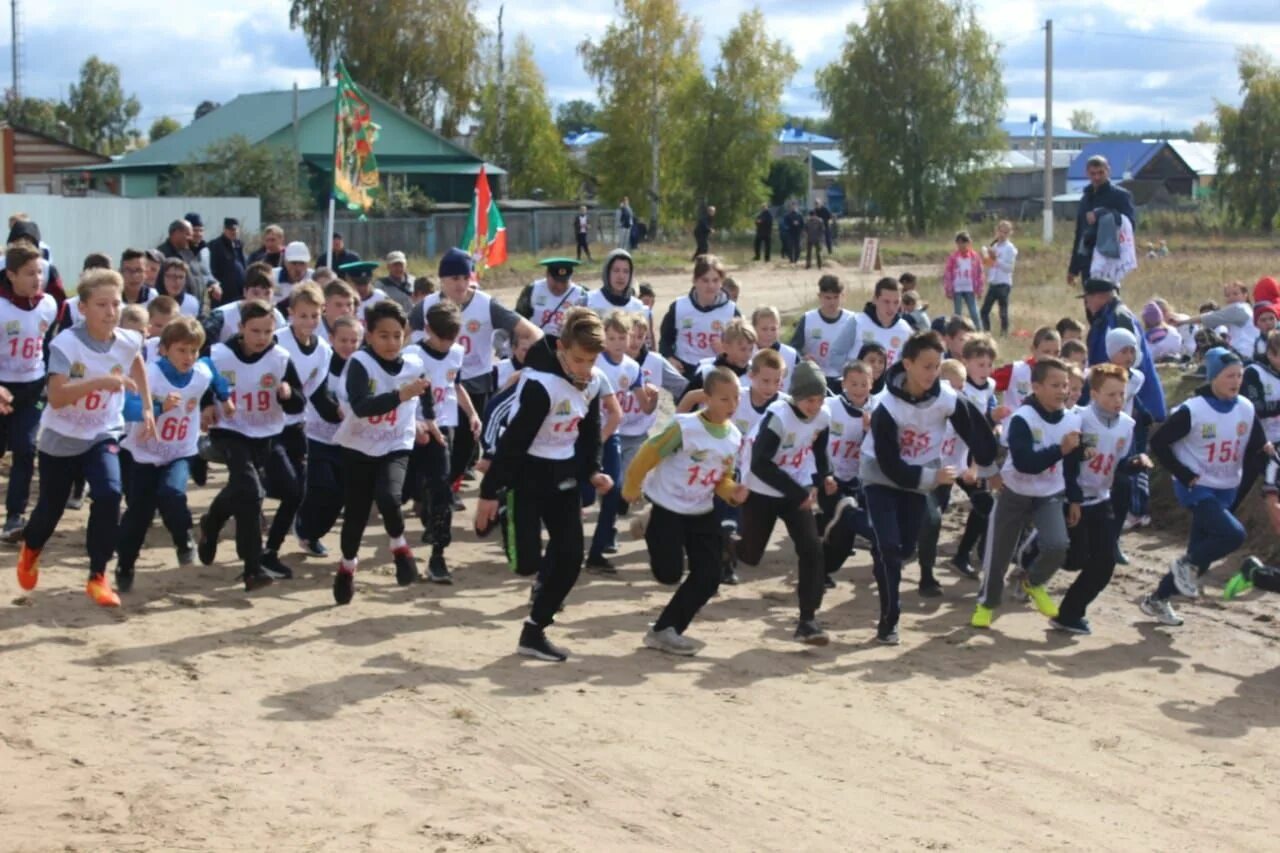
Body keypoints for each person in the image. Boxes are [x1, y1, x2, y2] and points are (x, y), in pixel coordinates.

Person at [475, 308, 613, 662]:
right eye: (578, 360)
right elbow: (514, 443)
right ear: (562, 349)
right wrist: (489, 493)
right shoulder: (541, 384)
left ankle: (534, 631)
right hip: (526, 473)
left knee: (570, 557)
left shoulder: (594, 381)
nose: (584, 368)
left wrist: (593, 470)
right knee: (526, 565)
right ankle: (506, 508)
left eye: (591, 360)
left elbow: (589, 432)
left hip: (563, 474)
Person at [15, 270, 153, 607]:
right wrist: (102, 382)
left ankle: (97, 575)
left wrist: (148, 408)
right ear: (84, 308)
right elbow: (58, 397)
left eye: (116, 303)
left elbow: (135, 360)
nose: (110, 311)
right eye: (102, 304)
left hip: (101, 432)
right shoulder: (66, 344)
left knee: (109, 494)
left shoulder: (128, 339)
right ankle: (31, 548)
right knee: (51, 509)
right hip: (61, 437)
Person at [860, 331, 998, 643]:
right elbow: (889, 463)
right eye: (926, 366)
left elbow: (976, 430)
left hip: (919, 482)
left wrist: (989, 467)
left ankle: (883, 556)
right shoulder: (887, 407)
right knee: (892, 550)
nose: (932, 373)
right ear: (907, 364)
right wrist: (931, 479)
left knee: (904, 548)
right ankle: (889, 621)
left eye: (937, 366)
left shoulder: (946, 397)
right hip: (881, 477)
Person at [1139, 348, 1269, 626]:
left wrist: (1268, 450)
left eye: (1240, 375)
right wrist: (1184, 474)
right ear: (1212, 377)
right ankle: (1183, 567)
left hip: (1226, 487)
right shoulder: (1193, 410)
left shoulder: (1244, 406)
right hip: (1196, 489)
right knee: (1233, 534)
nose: (1236, 381)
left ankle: (1157, 600)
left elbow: (1258, 438)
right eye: (1229, 376)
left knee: (1201, 556)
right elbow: (1159, 443)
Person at [622, 367, 747, 655]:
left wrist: (732, 493)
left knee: (710, 574)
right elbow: (648, 453)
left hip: (701, 510)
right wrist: (631, 486)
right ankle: (649, 520)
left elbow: (721, 479)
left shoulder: (733, 437)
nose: (732, 405)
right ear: (707, 398)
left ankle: (666, 630)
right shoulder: (685, 427)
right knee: (668, 574)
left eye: (736, 398)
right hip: (667, 506)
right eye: (724, 399)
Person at [197, 299, 308, 590]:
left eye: (267, 331)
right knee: (250, 493)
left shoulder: (281, 358)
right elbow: (199, 382)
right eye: (255, 331)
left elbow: (299, 401)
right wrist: (207, 404)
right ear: (241, 328)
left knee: (292, 490)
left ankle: (214, 523)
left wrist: (287, 394)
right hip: (230, 431)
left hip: (268, 434)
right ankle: (252, 567)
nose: (261, 338)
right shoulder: (219, 355)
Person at [115, 318, 233, 592]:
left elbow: (212, 371)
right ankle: (125, 564)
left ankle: (184, 539)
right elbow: (126, 406)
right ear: (164, 349)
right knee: (139, 514)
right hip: (144, 453)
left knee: (172, 494)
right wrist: (158, 407)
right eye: (181, 350)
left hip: (180, 449)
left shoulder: (200, 371)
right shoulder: (151, 375)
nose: (188, 357)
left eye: (193, 351)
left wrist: (224, 395)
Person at [330, 301, 433, 603]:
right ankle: (347, 566)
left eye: (397, 335)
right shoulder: (360, 363)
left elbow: (426, 393)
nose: (391, 342)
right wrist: (401, 395)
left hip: (395, 441)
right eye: (384, 336)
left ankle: (400, 547)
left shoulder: (414, 362)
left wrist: (428, 421)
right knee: (357, 515)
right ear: (370, 336)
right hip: (358, 445)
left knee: (390, 497)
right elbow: (361, 406)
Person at [413, 248, 542, 488]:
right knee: (439, 443)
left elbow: (530, 332)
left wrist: (539, 362)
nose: (461, 284)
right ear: (441, 280)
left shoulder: (486, 304)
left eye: (465, 277)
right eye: (454, 278)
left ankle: (446, 487)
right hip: (437, 385)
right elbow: (402, 340)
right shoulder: (426, 306)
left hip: (475, 381)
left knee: (468, 442)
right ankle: (434, 492)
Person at [971, 357, 1083, 630]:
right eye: (1055, 385)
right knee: (997, 557)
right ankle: (987, 604)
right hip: (1015, 492)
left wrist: (1075, 498)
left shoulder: (1072, 419)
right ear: (1036, 387)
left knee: (1057, 545)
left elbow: (1071, 465)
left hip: (1050, 494)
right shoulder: (1022, 418)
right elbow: (1024, 463)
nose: (1062, 391)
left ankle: (1032, 582)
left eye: (1065, 385)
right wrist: (1061, 449)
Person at [736, 360, 835, 644]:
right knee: (750, 555)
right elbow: (760, 464)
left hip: (794, 489)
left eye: (819, 399)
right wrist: (799, 491)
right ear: (795, 396)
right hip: (761, 489)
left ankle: (808, 620)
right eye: (808, 400)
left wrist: (823, 476)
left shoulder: (823, 415)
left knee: (812, 550)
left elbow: (818, 447)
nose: (814, 406)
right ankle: (721, 546)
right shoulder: (779, 417)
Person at [1051, 363, 1145, 634]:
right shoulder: (1078, 418)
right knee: (1074, 559)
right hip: (1071, 497)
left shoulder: (1128, 425)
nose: (1118, 400)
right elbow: (1066, 461)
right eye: (1111, 394)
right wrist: (1074, 497)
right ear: (1094, 394)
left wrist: (1137, 462)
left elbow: (1122, 462)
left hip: (1101, 498)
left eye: (1122, 395)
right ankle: (1034, 551)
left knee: (1104, 562)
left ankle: (1070, 613)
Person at [411, 301, 480, 584]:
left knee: (443, 489)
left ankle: (438, 556)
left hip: (444, 428)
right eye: (442, 337)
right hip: (412, 431)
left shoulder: (456, 352)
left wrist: (472, 413)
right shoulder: (413, 355)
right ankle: (421, 508)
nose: (446, 344)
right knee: (411, 488)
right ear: (428, 330)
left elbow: (456, 384)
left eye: (452, 338)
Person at [0, 243, 60, 542]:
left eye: (40, 272)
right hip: (1, 388)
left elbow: (48, 342)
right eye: (29, 274)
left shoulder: (48, 304)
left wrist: (51, 378)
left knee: (25, 449)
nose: (37, 279)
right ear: (10, 275)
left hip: (33, 387)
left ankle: (14, 516)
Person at [272, 284, 335, 567]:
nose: (309, 322)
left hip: (298, 426)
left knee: (303, 487)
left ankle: (305, 534)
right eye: (303, 315)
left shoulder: (323, 349)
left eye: (314, 315)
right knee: (284, 486)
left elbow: (319, 393)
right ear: (291, 314)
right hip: (267, 425)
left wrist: (342, 414)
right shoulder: (276, 341)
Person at [296, 315, 361, 556]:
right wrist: (338, 410)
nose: (349, 345)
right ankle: (304, 526)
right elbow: (318, 395)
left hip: (348, 441)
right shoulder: (323, 362)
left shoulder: (361, 364)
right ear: (331, 339)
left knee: (340, 495)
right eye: (343, 340)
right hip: (316, 437)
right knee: (322, 487)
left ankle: (313, 534)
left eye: (354, 341)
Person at [584, 312, 637, 572]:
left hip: (611, 433)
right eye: (611, 337)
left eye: (622, 337)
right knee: (581, 495)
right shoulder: (595, 365)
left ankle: (597, 552)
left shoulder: (632, 367)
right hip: (584, 436)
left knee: (613, 491)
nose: (616, 342)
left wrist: (648, 396)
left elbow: (634, 407)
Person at [819, 359, 876, 585]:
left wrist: (868, 431)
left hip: (855, 481)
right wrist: (823, 474)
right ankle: (819, 568)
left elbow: (876, 449)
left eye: (864, 384)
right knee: (844, 522)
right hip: (829, 478)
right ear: (844, 384)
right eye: (854, 384)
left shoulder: (876, 410)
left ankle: (824, 568)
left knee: (844, 534)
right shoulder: (830, 407)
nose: (859, 389)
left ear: (871, 384)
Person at [949, 334, 1000, 577]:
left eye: (989, 364)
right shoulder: (959, 387)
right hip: (952, 453)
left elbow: (989, 407)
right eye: (980, 364)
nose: (986, 369)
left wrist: (995, 421)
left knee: (985, 504)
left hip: (973, 454)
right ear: (965, 361)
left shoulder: (989, 385)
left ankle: (965, 554)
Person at [1083, 277, 1167, 421]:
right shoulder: (1109, 316)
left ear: (1100, 297)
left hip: (1134, 401)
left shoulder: (1119, 318)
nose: (1086, 304)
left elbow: (1132, 358)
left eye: (1087, 299)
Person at [658, 254, 740, 379]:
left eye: (715, 280)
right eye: (705, 280)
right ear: (695, 281)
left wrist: (725, 351)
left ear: (722, 282)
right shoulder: (679, 307)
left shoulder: (731, 311)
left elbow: (743, 347)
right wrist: (669, 358)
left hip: (718, 372)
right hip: (685, 371)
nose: (710, 286)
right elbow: (665, 339)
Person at [1068, 155, 1137, 287]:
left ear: (1108, 171)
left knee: (1107, 301)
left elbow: (1129, 224)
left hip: (1108, 259)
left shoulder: (1120, 196)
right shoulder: (1085, 199)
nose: (1097, 177)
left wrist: (1102, 214)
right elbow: (1079, 234)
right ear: (1087, 173)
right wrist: (1073, 268)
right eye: (1093, 173)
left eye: (1101, 172)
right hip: (1087, 259)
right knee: (1090, 304)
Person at [830, 276, 914, 368]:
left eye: (896, 302)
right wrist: (853, 375)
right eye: (886, 301)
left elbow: (909, 364)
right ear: (875, 299)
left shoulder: (905, 329)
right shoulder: (857, 323)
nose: (891, 307)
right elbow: (835, 354)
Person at [791, 274, 854, 394]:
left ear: (843, 296)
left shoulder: (852, 320)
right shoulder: (808, 319)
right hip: (814, 377)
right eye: (828, 298)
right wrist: (803, 358)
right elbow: (794, 349)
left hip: (843, 378)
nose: (832, 302)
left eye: (836, 297)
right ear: (820, 297)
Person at [203, 264, 285, 346]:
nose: (261, 299)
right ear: (245, 292)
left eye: (267, 293)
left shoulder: (278, 318)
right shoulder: (221, 316)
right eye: (255, 293)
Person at [516, 258, 588, 339]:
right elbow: (518, 318)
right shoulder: (533, 290)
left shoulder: (581, 294)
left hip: (567, 345)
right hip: (537, 343)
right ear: (547, 275)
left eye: (564, 282)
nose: (560, 286)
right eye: (556, 281)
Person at [1199, 280, 1257, 361]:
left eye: (1235, 294)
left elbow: (1207, 318)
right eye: (1227, 295)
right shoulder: (1248, 309)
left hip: (1243, 353)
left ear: (1245, 295)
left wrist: (1182, 322)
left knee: (1204, 334)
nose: (1231, 297)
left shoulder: (1239, 308)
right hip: (1245, 352)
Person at [586, 249, 647, 320]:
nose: (621, 276)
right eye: (616, 270)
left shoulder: (637, 307)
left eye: (626, 271)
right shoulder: (589, 301)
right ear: (607, 272)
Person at [981, 220, 1017, 335]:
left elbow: (1009, 268)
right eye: (1000, 231)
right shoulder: (995, 245)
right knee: (984, 311)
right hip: (993, 282)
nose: (1002, 234)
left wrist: (996, 259)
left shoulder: (1010, 248)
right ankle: (987, 332)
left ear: (1010, 233)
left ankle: (1004, 333)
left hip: (1004, 283)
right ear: (997, 231)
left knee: (1003, 311)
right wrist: (986, 257)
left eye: (1005, 232)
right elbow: (989, 264)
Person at [942, 231, 984, 329]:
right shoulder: (953, 257)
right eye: (959, 243)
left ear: (969, 243)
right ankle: (957, 332)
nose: (962, 245)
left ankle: (979, 331)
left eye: (964, 242)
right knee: (958, 314)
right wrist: (948, 289)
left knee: (974, 313)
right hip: (958, 289)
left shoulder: (974, 257)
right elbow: (948, 273)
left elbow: (979, 273)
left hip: (970, 288)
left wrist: (980, 289)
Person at [207, 217, 247, 307]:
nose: (233, 232)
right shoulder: (216, 245)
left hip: (239, 294)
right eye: (230, 229)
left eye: (235, 229)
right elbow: (210, 269)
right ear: (224, 230)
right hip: (223, 295)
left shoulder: (239, 245)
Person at [752, 306, 798, 377]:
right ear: (753, 328)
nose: (769, 333)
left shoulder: (791, 355)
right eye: (764, 329)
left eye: (773, 329)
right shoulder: (746, 354)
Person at [274, 241, 314, 311]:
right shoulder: (272, 277)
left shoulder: (314, 278)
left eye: (302, 263)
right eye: (294, 263)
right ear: (285, 262)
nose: (298, 268)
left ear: (308, 263)